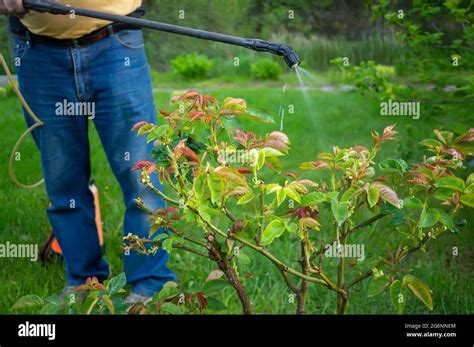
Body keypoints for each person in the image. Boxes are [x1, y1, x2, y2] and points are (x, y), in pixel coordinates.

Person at [1, 0, 175, 303]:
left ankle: (149, 285)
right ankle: (84, 281)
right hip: (38, 54)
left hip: (116, 42)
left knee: (142, 177)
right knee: (63, 182)